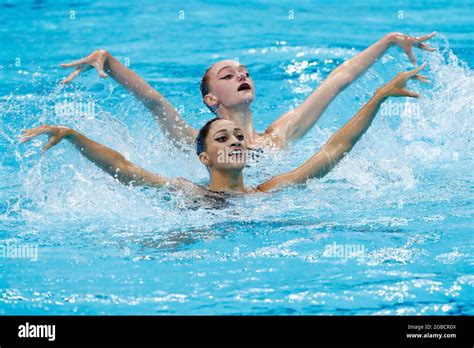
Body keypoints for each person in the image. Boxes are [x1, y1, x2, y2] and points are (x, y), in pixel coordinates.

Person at [21, 64, 428, 197]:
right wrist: (75, 137)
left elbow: (334, 150)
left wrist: (378, 97)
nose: (235, 141)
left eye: (237, 138)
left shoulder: (269, 191)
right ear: (204, 157)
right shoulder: (187, 192)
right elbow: (123, 168)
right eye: (222, 138)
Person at [59, 33, 436, 151]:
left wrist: (387, 42)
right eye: (228, 75)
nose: (241, 76)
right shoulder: (197, 142)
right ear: (211, 99)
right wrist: (108, 61)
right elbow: (154, 100)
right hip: (213, 216)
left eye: (244, 72)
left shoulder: (280, 135)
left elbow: (336, 82)